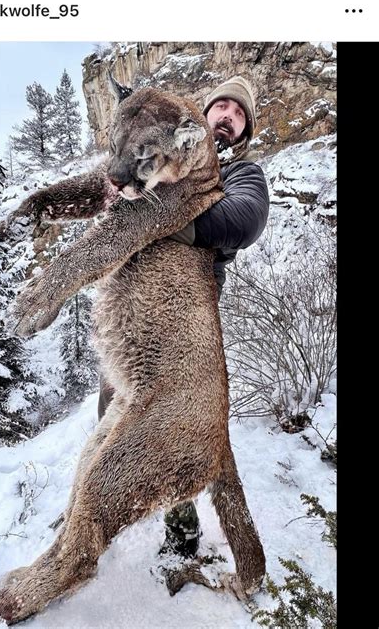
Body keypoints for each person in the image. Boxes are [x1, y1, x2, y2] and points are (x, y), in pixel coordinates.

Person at [98, 75, 270, 559]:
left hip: (184, 316)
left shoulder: (241, 172)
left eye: (239, 116)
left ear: (244, 130)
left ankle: (182, 527)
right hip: (134, 306)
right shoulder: (168, 151)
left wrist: (161, 222)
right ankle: (96, 507)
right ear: (204, 110)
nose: (229, 118)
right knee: (111, 407)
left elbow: (244, 220)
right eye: (223, 107)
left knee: (179, 426)